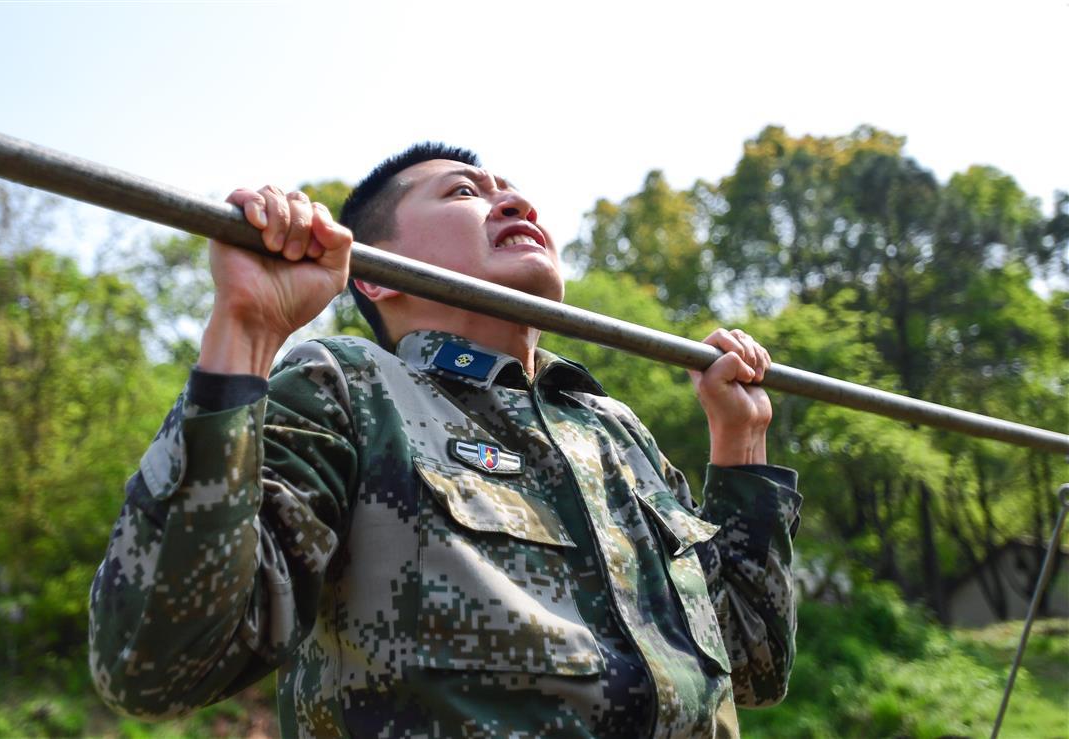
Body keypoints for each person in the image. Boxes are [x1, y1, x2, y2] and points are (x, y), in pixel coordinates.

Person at [88, 143, 802, 738]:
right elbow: (157, 664)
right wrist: (246, 332)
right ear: (373, 275)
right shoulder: (351, 385)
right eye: (464, 192)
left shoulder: (614, 430)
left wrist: (740, 443)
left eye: (514, 191)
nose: (516, 204)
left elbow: (754, 664)